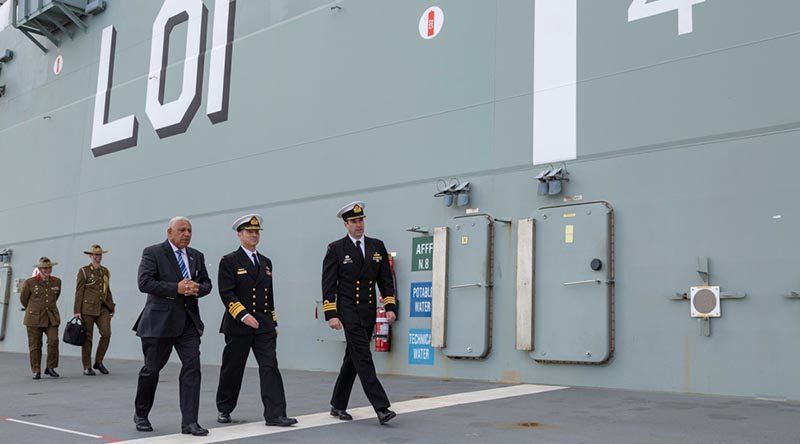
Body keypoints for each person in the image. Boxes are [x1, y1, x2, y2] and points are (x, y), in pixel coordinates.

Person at [132, 217, 212, 436]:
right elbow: (144, 283)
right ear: (169, 232)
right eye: (181, 230)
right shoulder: (153, 252)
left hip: (188, 323)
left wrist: (198, 288)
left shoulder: (197, 255)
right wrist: (175, 288)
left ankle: (190, 423)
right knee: (152, 370)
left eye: (189, 230)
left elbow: (207, 283)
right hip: (160, 323)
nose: (186, 234)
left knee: (192, 368)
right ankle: (141, 413)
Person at [215, 214, 297, 427]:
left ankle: (276, 414)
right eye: (249, 232)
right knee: (233, 368)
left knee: (269, 366)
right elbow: (226, 293)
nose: (253, 235)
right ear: (239, 234)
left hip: (264, 325)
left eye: (256, 232)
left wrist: (274, 322)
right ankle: (224, 408)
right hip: (238, 324)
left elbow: (269, 296)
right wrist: (243, 315)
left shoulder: (266, 262)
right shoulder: (229, 261)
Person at [321, 201, 398, 425]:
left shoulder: (376, 246)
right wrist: (331, 313)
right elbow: (328, 284)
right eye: (354, 221)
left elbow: (385, 279)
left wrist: (390, 306)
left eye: (361, 220)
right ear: (345, 224)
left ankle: (337, 404)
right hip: (348, 311)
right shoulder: (336, 249)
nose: (359, 224)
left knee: (352, 360)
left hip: (368, 311)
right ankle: (382, 408)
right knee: (363, 358)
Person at [73, 244, 116, 375]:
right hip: (87, 309)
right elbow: (79, 291)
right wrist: (77, 310)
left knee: (106, 333)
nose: (98, 257)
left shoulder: (105, 271)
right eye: (96, 255)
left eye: (100, 255)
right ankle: (87, 366)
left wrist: (111, 306)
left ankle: (99, 361)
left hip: (103, 308)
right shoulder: (84, 271)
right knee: (87, 338)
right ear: (90, 256)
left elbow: (107, 289)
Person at [20, 257, 62, 380]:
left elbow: (56, 297)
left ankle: (50, 367)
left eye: (49, 267)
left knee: (53, 341)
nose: (48, 270)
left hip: (51, 317)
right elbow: (24, 300)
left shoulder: (57, 282)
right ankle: (36, 370)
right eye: (45, 268)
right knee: (35, 345)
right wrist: (34, 309)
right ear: (39, 269)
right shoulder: (30, 282)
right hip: (34, 318)